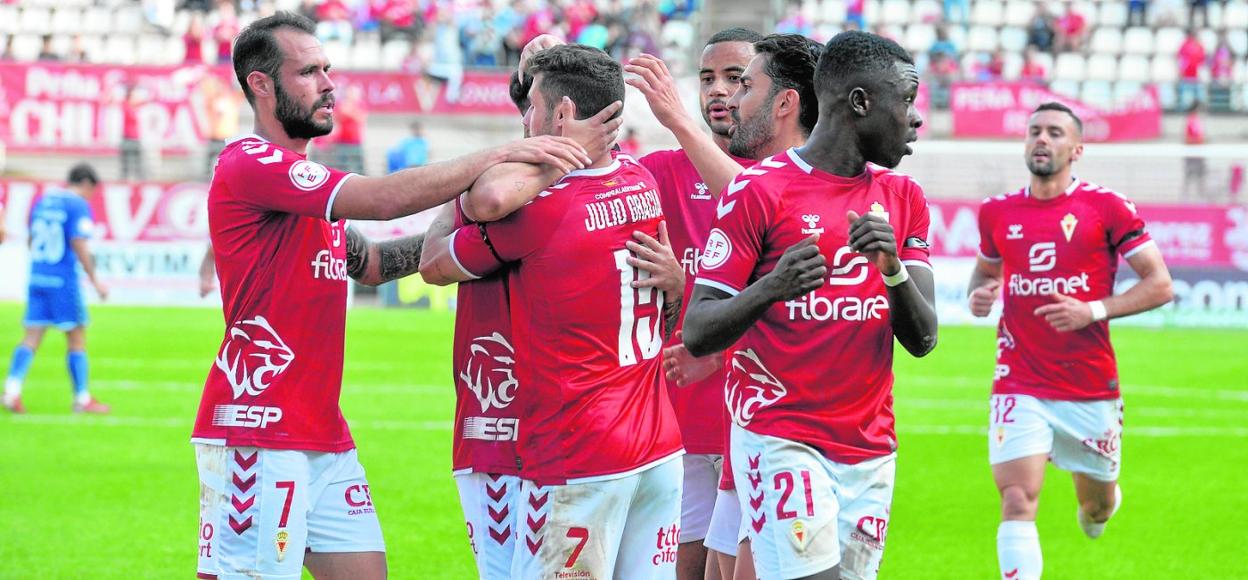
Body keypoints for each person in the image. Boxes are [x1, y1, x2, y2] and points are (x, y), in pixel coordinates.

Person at [191, 13, 598, 580]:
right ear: (262, 85)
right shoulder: (249, 162)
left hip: (322, 432)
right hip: (259, 427)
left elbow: (377, 263)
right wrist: (500, 156)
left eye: (327, 69)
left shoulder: (305, 187)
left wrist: (471, 231)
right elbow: (382, 200)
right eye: (308, 72)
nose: (329, 83)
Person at [421, 44, 684, 578]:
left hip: (579, 453)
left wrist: (459, 199)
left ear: (561, 115)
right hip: (658, 448)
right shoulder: (641, 182)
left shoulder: (541, 211)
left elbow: (433, 263)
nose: (524, 118)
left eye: (532, 105)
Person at [682, 31, 937, 579]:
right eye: (908, 102)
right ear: (861, 103)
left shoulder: (904, 199)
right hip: (780, 436)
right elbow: (699, 329)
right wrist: (772, 287)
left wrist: (891, 268)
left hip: (870, 448)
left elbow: (923, 339)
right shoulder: (758, 191)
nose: (915, 120)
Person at [626, 30, 823, 580]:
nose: (720, 93)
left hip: (762, 417)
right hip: (681, 414)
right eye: (707, 78)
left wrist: (684, 288)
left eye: (736, 79)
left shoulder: (783, 181)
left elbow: (764, 214)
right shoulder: (664, 170)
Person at [967, 102, 1174, 580]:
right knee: (1017, 499)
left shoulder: (1106, 207)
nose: (1042, 139)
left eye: (1055, 132)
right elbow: (985, 270)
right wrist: (980, 294)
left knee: (1096, 507)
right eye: (1035, 130)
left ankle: (1101, 505)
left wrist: (1092, 310)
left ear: (1076, 149)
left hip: (1088, 385)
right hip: (1017, 379)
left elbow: (1160, 284)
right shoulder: (997, 211)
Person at [4, 163, 110, 415]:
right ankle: (82, 398)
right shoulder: (77, 204)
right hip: (63, 281)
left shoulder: (44, 200)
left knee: (31, 336)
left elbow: (31, 239)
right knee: (76, 337)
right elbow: (78, 242)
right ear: (86, 184)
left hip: (38, 276)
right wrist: (95, 279)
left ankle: (11, 390)